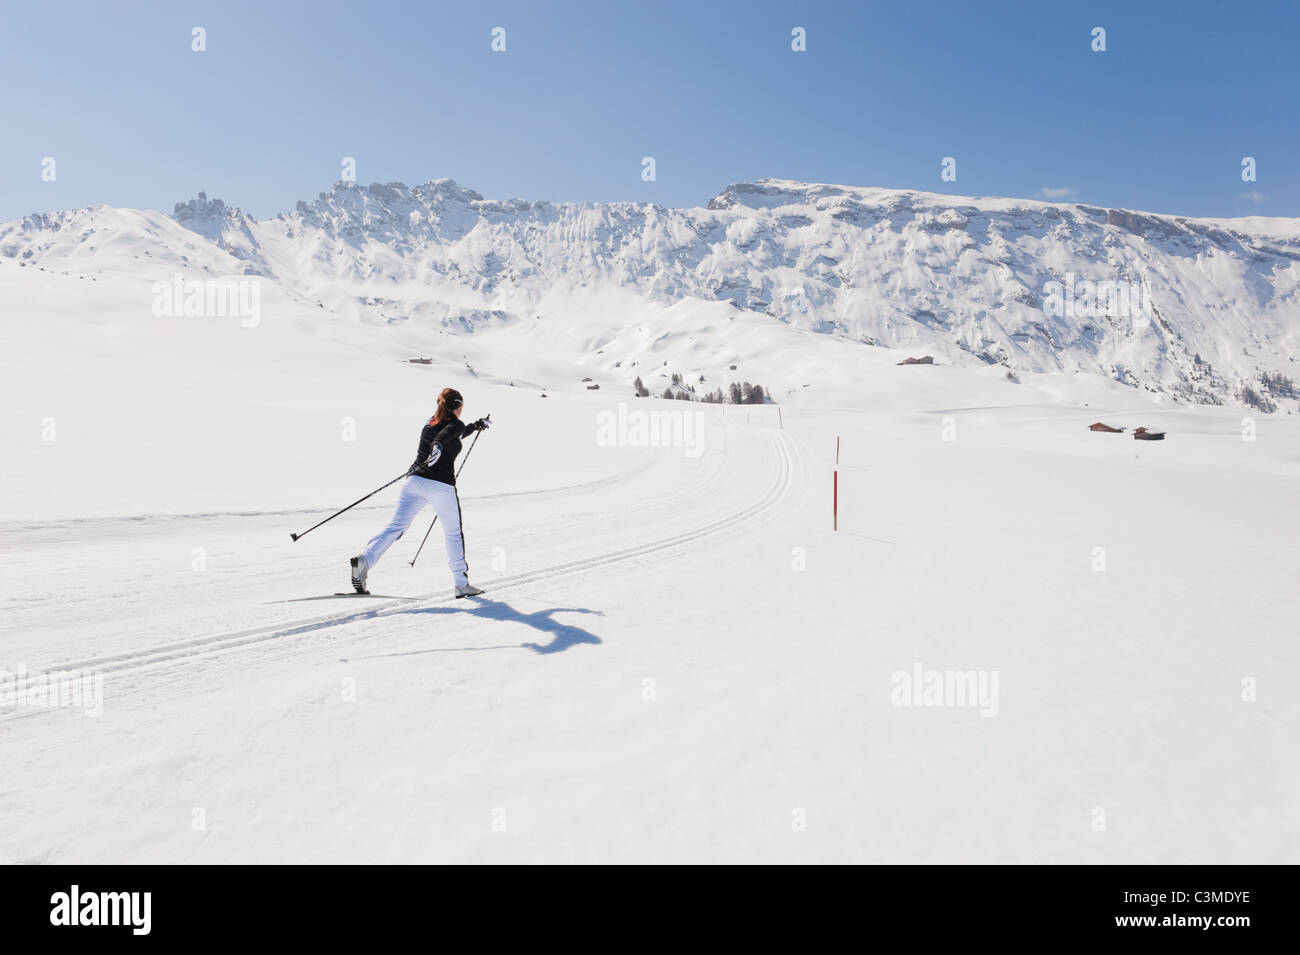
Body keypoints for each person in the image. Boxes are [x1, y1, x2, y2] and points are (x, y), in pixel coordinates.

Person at [350, 387, 490, 597]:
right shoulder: (454, 424)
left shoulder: (430, 422)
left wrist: (476, 426)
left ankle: (365, 560)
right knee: (453, 534)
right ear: (458, 406)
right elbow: (447, 434)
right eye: (462, 407)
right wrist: (438, 446)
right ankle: (461, 584)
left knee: (397, 526)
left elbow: (455, 431)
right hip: (441, 485)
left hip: (414, 482)